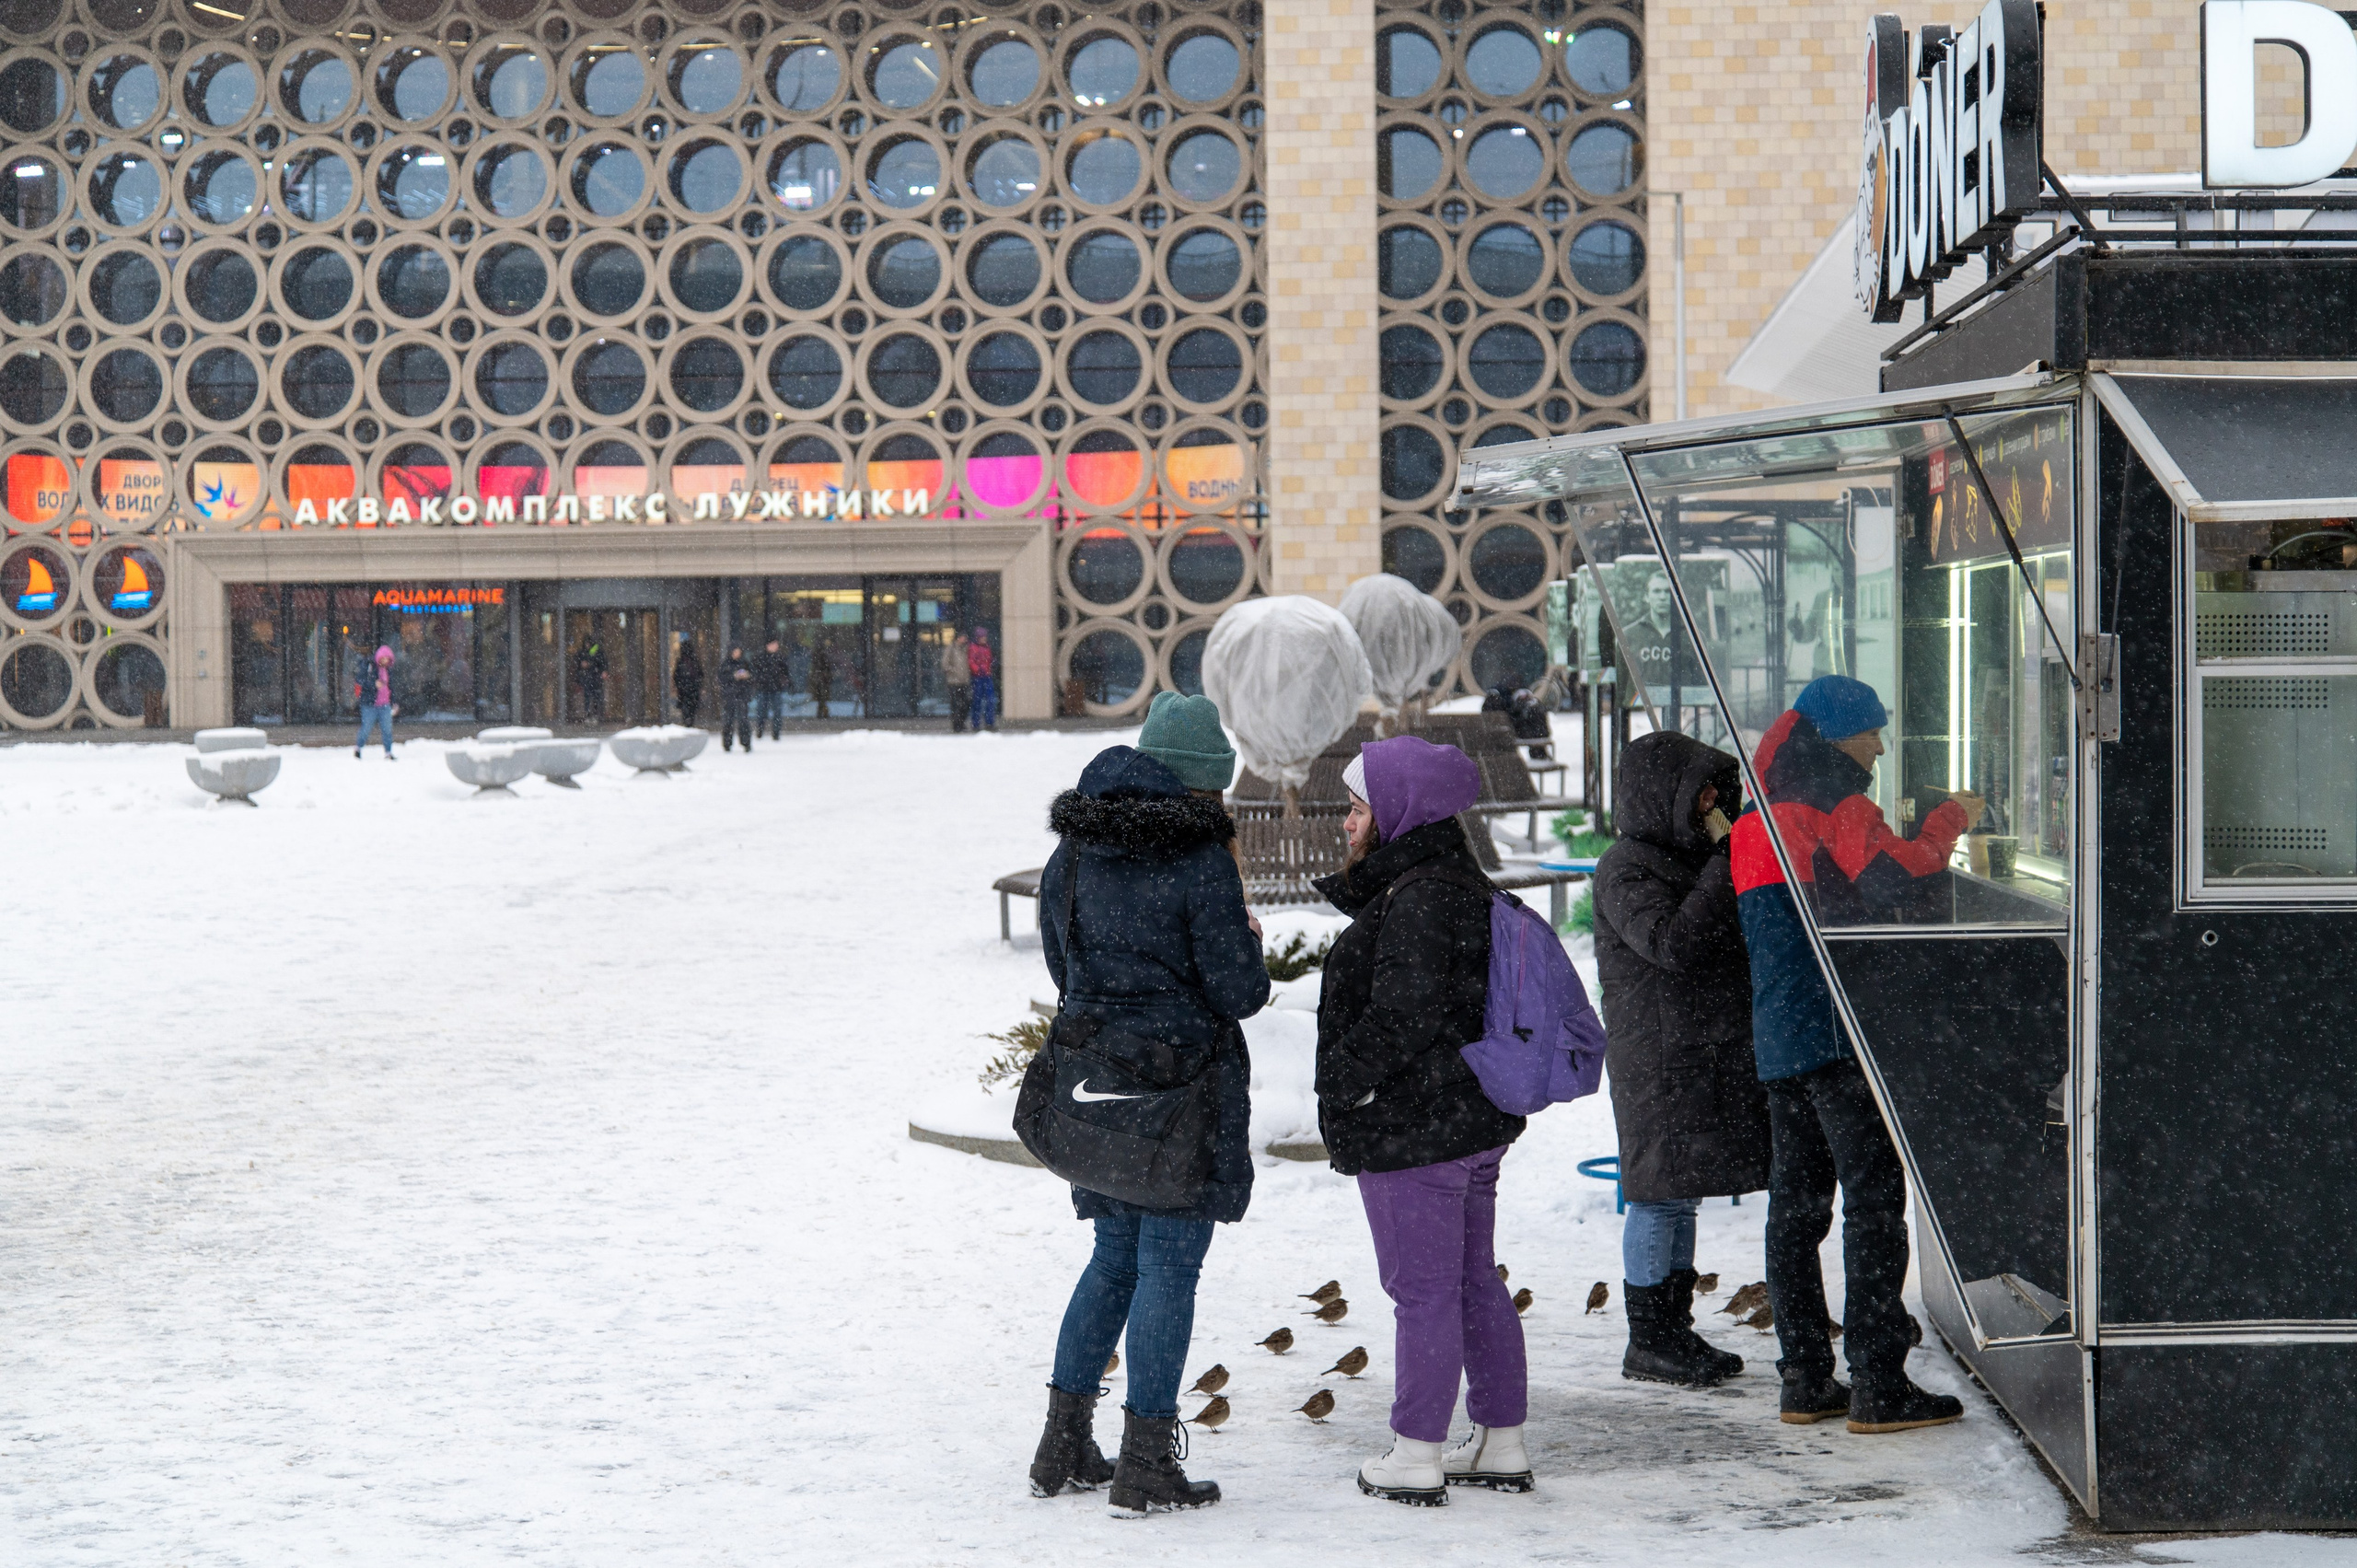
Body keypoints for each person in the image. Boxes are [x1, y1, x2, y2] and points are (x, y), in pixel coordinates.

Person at [1032, 692, 1268, 1517]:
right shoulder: (1201, 858)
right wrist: (1249, 941)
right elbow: (1239, 991)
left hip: (1097, 1089)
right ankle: (1145, 1461)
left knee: (1114, 1260)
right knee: (1168, 1264)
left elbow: (1064, 965)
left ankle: (1062, 1444)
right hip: (1178, 1094)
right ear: (1203, 786)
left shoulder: (1077, 847)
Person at [1731, 674, 1983, 1433]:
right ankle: (1878, 1381)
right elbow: (1893, 878)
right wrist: (1950, 819)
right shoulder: (1836, 801)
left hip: (1780, 1032)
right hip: (1839, 1033)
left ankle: (1805, 1378)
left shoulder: (1755, 815)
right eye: (1872, 731)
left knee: (1796, 1208)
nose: (1880, 744)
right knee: (1874, 1200)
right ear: (1840, 736)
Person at [1317, 735, 1531, 1505]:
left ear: (1399, 811)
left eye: (1357, 804)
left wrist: (1341, 1081)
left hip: (1418, 1129)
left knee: (1425, 1291)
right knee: (1473, 1279)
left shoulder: (1418, 895)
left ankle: (1415, 1452)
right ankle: (1501, 1440)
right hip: (1470, 1120)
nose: (1346, 823)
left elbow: (1402, 1014)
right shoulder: (1454, 882)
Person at [1593, 731, 1769, 1388]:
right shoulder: (1625, 867)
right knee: (1658, 1196)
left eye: (1715, 790)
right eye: (1700, 790)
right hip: (1657, 1060)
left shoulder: (1683, 857)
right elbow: (1673, 942)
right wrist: (1729, 860)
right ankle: (1650, 1337)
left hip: (1695, 1054)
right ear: (1661, 793)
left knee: (1681, 1194)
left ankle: (1674, 1327)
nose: (1711, 801)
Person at [353, 645, 396, 759]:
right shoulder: (369, 666)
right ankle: (358, 747)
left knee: (387, 729)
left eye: (388, 659)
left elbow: (392, 687)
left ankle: (388, 752)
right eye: (384, 658)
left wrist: (394, 702)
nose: (385, 661)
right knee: (366, 728)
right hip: (369, 704)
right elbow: (360, 680)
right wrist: (373, 684)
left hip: (385, 704)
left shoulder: (389, 671)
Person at [718, 644, 754, 752]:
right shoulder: (725, 664)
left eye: (738, 652)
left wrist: (747, 676)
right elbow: (721, 679)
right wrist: (733, 677)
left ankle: (746, 743)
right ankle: (727, 744)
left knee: (743, 720)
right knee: (728, 720)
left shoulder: (745, 663)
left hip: (742, 695)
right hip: (730, 695)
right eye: (735, 652)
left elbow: (753, 677)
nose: (737, 654)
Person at [753, 636, 787, 741]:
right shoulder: (760, 657)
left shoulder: (780, 657)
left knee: (777, 712)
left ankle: (776, 733)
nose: (776, 646)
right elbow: (755, 672)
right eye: (774, 644)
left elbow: (785, 672)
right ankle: (760, 730)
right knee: (761, 711)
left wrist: (785, 682)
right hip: (763, 688)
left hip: (776, 689)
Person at [968, 627, 998, 731]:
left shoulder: (987, 647)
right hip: (978, 677)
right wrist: (978, 670)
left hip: (986, 676)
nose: (984, 639)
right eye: (982, 637)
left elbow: (989, 660)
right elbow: (971, 661)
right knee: (977, 701)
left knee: (990, 700)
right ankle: (976, 723)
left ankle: (989, 722)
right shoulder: (973, 648)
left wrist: (988, 668)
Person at [943, 628, 973, 733]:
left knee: (965, 703)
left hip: (964, 681)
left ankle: (961, 722)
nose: (964, 639)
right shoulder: (951, 649)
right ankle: (956, 725)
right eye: (962, 637)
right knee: (956, 704)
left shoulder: (966, 649)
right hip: (953, 682)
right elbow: (945, 664)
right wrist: (954, 671)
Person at [574, 636, 608, 723]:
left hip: (593, 677)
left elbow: (601, 663)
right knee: (589, 696)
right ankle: (590, 714)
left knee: (594, 696)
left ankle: (593, 714)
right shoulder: (585, 652)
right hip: (589, 678)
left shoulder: (594, 652)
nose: (587, 645)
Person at [672, 639, 704, 729]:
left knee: (687, 708)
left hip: (686, 689)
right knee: (690, 708)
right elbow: (700, 674)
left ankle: (688, 721)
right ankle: (689, 721)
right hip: (690, 689)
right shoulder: (693, 661)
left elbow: (676, 675)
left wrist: (679, 685)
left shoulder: (683, 661)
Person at [808, 642, 835, 719]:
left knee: (821, 697)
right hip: (821, 681)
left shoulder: (818, 659)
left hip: (821, 680)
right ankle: (822, 712)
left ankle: (821, 712)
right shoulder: (822, 659)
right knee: (822, 697)